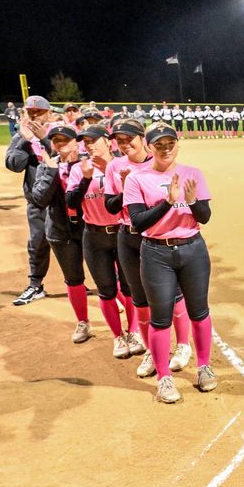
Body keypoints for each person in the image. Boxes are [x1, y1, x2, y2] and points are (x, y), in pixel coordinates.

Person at [124, 123, 217, 403]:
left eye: (170, 143)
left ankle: (203, 367)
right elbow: (138, 223)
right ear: (149, 147)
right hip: (156, 253)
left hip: (192, 249)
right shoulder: (137, 178)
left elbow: (205, 216)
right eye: (159, 144)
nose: (165, 149)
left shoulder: (192, 174)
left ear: (178, 144)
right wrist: (167, 202)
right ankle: (164, 378)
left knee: (199, 311)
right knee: (161, 318)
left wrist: (191, 201)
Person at [104, 118, 193, 378]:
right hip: (127, 234)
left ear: (144, 140)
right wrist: (124, 189)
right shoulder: (115, 166)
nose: (124, 144)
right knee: (138, 298)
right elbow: (111, 207)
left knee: (173, 295)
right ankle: (152, 352)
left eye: (129, 139)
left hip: (157, 238)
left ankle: (183, 345)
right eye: (119, 140)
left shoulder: (158, 162)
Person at [65, 125, 143, 359]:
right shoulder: (80, 169)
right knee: (107, 291)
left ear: (108, 142)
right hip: (94, 235)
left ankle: (135, 332)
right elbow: (71, 201)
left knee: (130, 288)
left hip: (121, 232)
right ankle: (118, 336)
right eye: (84, 142)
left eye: (93, 140)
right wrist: (86, 179)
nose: (88, 145)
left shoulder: (122, 165)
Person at [30, 124, 92, 344]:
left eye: (65, 139)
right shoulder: (47, 166)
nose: (61, 144)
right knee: (74, 279)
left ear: (76, 141)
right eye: (56, 141)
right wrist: (51, 170)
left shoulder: (87, 164)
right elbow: (39, 199)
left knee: (111, 276)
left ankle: (127, 323)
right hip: (60, 230)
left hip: (89, 228)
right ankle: (82, 321)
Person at [5, 95, 56, 304]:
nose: (34, 116)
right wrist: (25, 140)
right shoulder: (20, 137)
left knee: (76, 244)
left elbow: (64, 158)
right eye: (30, 112)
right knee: (38, 243)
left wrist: (43, 139)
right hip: (38, 201)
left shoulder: (60, 132)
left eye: (39, 112)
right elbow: (14, 165)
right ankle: (35, 285)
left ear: (49, 114)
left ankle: (79, 283)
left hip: (65, 200)